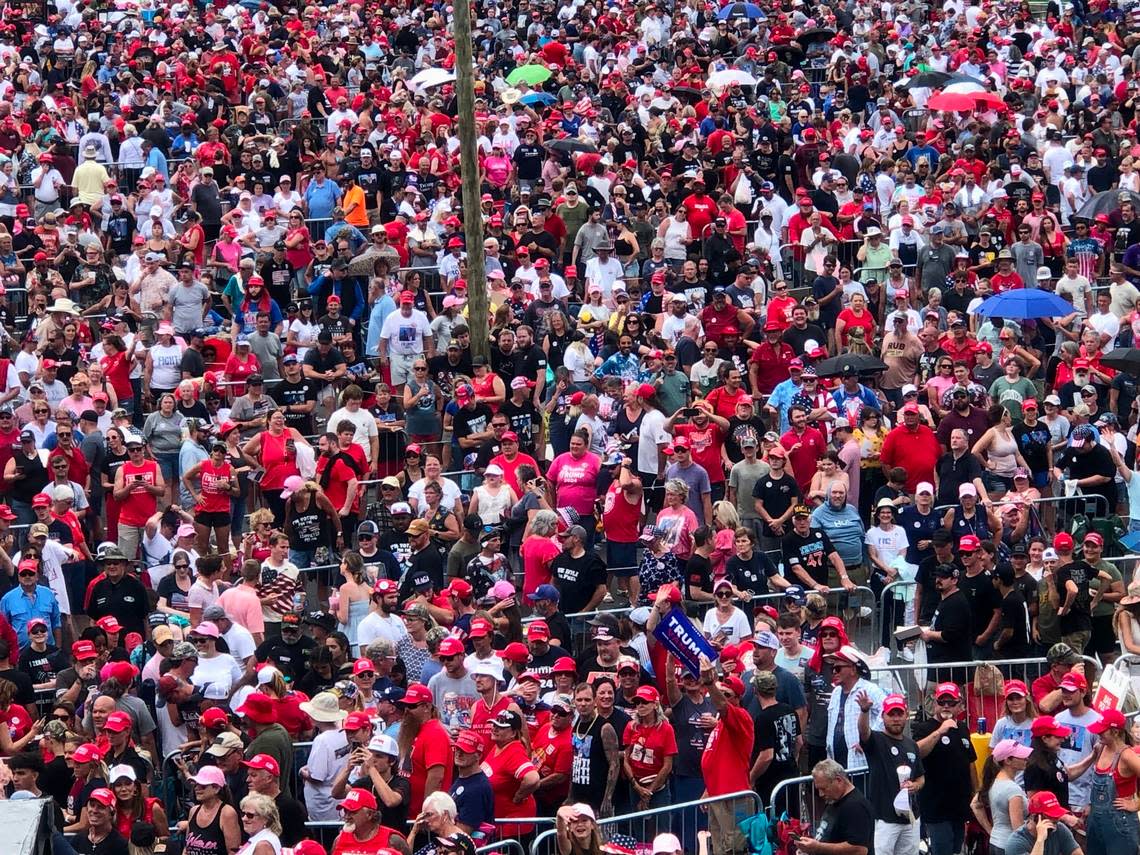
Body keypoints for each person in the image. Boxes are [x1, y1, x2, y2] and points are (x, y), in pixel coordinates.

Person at [794, 759, 875, 855]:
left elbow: (859, 850)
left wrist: (817, 848)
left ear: (838, 780)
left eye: (824, 788)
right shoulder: (833, 799)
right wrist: (808, 848)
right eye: (818, 789)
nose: (821, 794)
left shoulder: (856, 807)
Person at [1001, 792, 1082, 855]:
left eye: (1057, 816)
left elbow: (1077, 853)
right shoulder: (1016, 842)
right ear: (1034, 817)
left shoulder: (1059, 828)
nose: (1055, 820)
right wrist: (1040, 840)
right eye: (1050, 816)